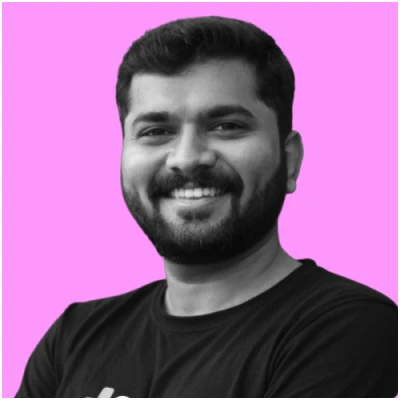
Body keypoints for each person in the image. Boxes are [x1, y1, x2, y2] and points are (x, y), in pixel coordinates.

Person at [16, 16, 397, 398]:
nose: (186, 158)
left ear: (290, 161)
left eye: (226, 126)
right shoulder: (74, 337)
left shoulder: (351, 328)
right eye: (155, 132)